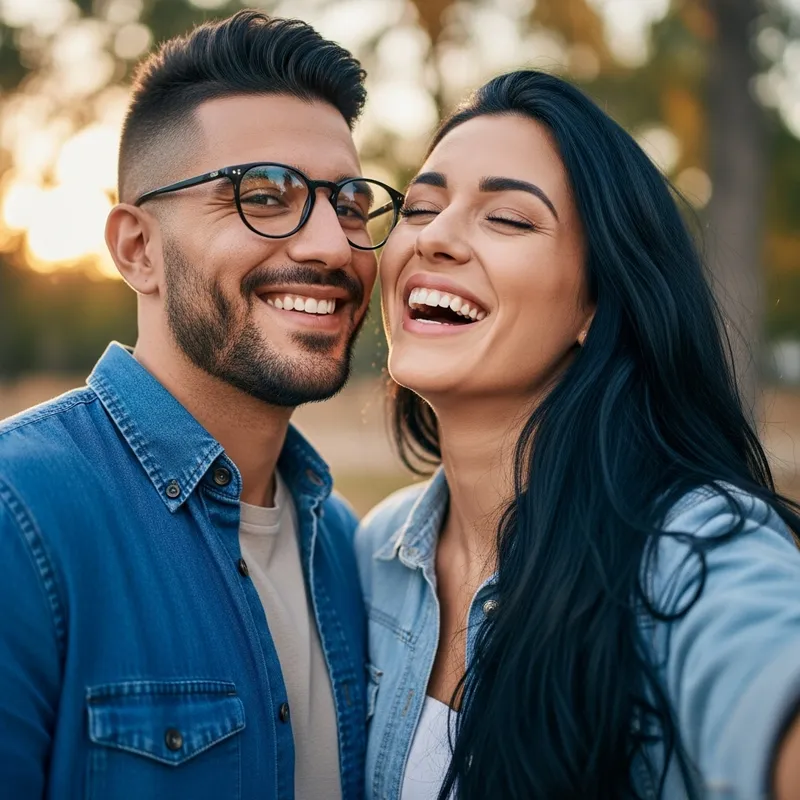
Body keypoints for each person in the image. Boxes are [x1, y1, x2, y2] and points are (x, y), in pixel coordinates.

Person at [356, 70, 800, 800]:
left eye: (508, 219)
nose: (434, 237)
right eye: (422, 206)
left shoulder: (695, 547)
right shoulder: (374, 551)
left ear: (595, 304)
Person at [0, 11, 404, 800]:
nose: (330, 244)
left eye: (350, 203)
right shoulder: (20, 522)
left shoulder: (347, 553)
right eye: (264, 194)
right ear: (137, 249)